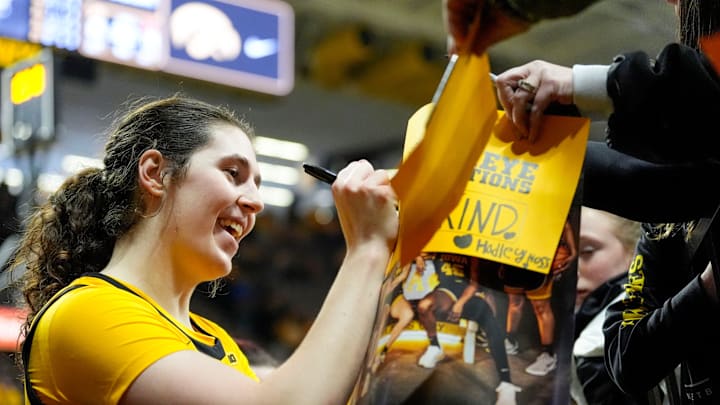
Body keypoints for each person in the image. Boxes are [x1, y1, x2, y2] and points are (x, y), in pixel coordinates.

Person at [7, 95, 399, 404]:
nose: (256, 202)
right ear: (155, 173)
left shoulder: (217, 340)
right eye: (234, 173)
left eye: (258, 184)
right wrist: (367, 247)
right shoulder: (87, 313)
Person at [487, 1, 720, 403]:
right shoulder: (666, 223)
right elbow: (630, 360)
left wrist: (589, 87)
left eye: (589, 250)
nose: (568, 270)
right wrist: (502, 157)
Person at [415, 253, 521, 405]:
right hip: (446, 292)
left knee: (492, 324)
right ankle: (435, 346)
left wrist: (461, 303)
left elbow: (474, 283)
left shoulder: (473, 249)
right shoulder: (443, 241)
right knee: (423, 306)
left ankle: (506, 383)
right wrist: (419, 257)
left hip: (471, 293)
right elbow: (419, 248)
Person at [571, 207, 641, 405]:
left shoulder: (595, 346)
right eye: (560, 256)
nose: (570, 270)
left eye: (587, 251)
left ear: (634, 251)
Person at [503, 220, 577, 377]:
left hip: (539, 252)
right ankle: (510, 341)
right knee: (514, 302)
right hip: (513, 250)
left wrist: (573, 249)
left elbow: (563, 220)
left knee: (541, 307)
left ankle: (548, 355)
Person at [374, 253, 439, 368]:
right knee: (382, 315)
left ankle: (383, 350)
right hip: (376, 287)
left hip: (394, 292)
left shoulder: (410, 256)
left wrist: (389, 288)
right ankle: (372, 349)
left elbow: (403, 275)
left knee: (407, 315)